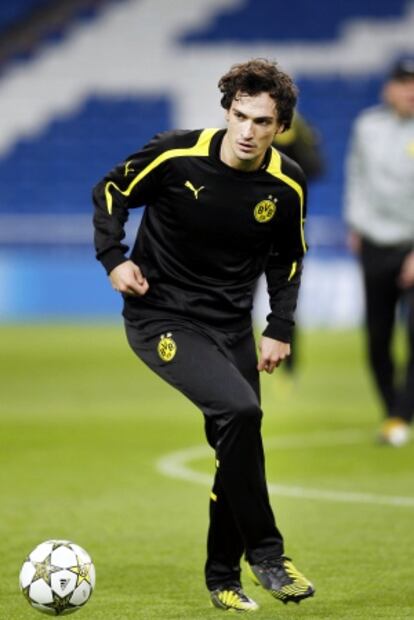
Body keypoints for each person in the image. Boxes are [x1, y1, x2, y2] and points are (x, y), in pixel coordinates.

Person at [93, 58, 315, 612]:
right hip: (160, 317)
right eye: (240, 116)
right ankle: (267, 554)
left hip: (231, 325)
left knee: (236, 446)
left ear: (280, 127)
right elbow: (110, 191)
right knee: (241, 414)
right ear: (226, 111)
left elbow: (289, 259)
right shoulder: (174, 154)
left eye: (262, 122)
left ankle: (223, 580)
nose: (247, 131)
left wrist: (279, 327)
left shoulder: (286, 185)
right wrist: (113, 258)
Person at [344, 57, 414, 447]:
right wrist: (356, 224)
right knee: (377, 338)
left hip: (412, 242)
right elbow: (356, 178)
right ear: (389, 87)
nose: (410, 89)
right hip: (374, 243)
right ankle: (392, 412)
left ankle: (402, 416)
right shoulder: (367, 127)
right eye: (404, 82)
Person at [272, 112, 324, 374]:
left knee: (286, 300)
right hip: (245, 227)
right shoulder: (247, 125)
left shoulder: (301, 127)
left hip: (287, 228)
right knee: (239, 298)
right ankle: (238, 359)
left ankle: (289, 365)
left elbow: (315, 168)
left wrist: (293, 143)